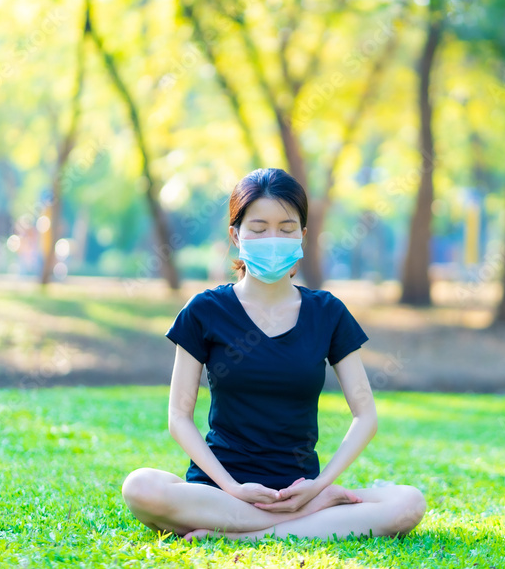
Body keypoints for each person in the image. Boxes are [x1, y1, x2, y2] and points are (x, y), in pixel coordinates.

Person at [121, 168, 426, 541]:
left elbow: (365, 416)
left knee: (409, 503)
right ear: (236, 235)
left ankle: (241, 534)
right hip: (218, 491)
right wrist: (232, 488)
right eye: (259, 227)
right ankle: (305, 521)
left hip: (299, 490)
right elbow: (178, 417)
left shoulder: (327, 313)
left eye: (286, 228)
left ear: (302, 236)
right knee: (140, 487)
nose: (273, 238)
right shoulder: (205, 310)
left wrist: (318, 486)